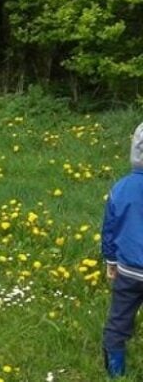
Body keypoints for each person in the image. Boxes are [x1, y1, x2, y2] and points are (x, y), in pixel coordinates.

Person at [102, 122, 143, 377]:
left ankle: (116, 373)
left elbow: (109, 227)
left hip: (128, 270)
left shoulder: (121, 187)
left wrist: (111, 260)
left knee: (118, 321)